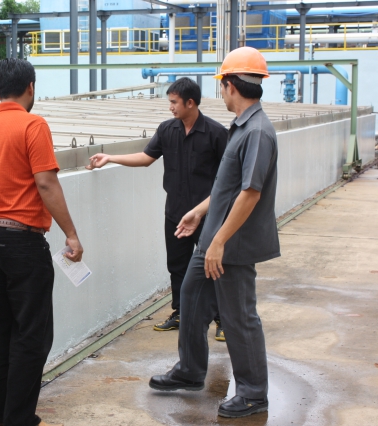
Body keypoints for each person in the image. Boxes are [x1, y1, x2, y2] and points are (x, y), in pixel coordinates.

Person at [148, 46, 280, 419]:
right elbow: (227, 186)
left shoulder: (257, 132)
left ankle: (253, 393)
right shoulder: (240, 127)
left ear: (230, 85)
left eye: (222, 84)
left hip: (231, 245)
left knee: (238, 316)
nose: (221, 91)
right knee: (190, 295)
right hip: (212, 239)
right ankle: (190, 371)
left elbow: (250, 193)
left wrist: (220, 240)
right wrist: (198, 212)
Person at [0, 58, 83, 426]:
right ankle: (17, 420)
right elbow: (46, 182)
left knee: (0, 331)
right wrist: (71, 233)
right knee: (32, 335)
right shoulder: (33, 125)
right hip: (21, 241)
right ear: (30, 88)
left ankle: (1, 415)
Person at [87, 77, 228, 340]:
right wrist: (110, 157)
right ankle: (181, 312)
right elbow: (146, 158)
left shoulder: (216, 133)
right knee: (177, 265)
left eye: (174, 102)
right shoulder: (166, 130)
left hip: (207, 215)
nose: (170, 107)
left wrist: (207, 211)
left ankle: (223, 318)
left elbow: (228, 178)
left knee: (213, 266)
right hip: (175, 212)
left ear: (190, 103)